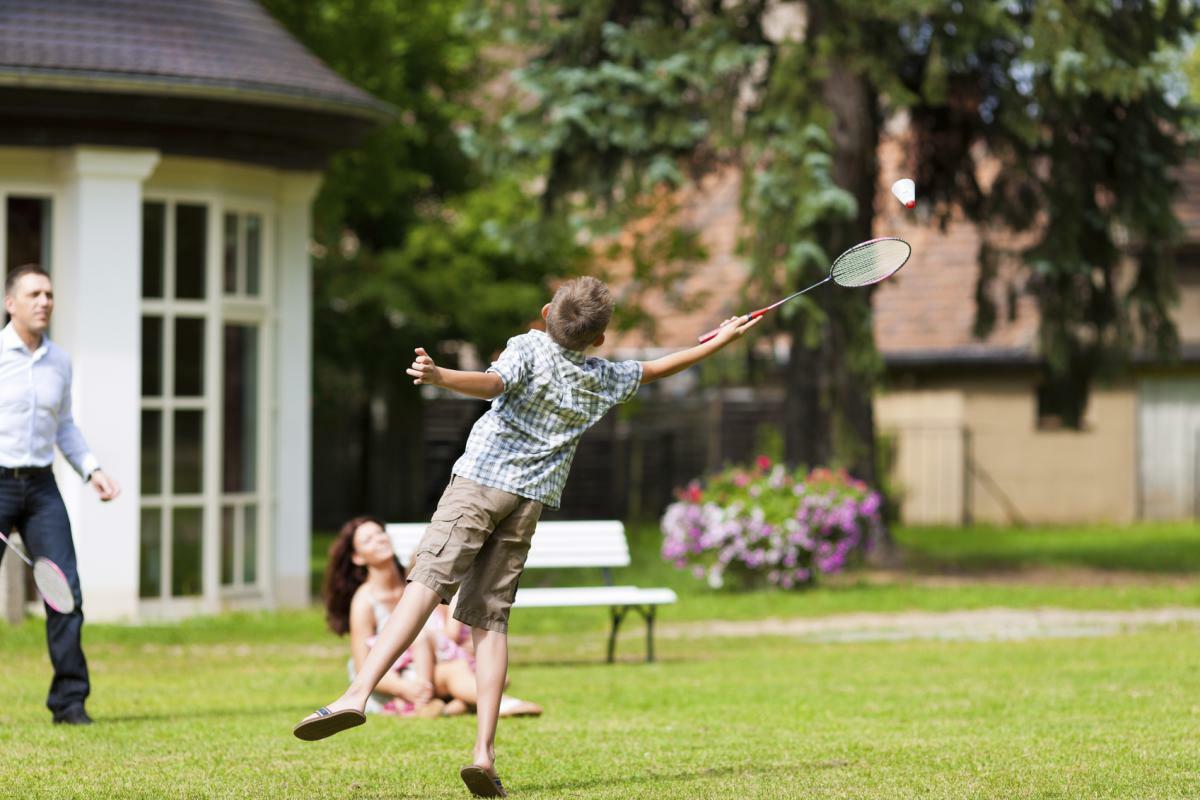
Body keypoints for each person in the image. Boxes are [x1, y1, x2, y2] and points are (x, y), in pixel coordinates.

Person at [294, 276, 758, 797]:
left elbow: (494, 385)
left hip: (479, 485)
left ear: (545, 312)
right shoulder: (602, 377)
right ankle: (483, 754)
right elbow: (655, 369)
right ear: (598, 339)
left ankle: (357, 693)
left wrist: (442, 375)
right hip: (526, 504)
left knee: (424, 584)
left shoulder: (528, 346)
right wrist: (721, 340)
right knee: (489, 620)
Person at [0, 264, 120, 726]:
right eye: (34, 294)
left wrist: (93, 470)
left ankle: (70, 702)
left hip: (41, 487)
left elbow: (64, 426)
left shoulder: (60, 361)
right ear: (11, 303)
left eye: (49, 294)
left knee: (65, 593)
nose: (45, 301)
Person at [324, 515, 542, 720]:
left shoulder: (416, 582)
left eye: (380, 533)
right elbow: (362, 666)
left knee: (496, 676)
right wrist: (405, 688)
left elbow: (448, 625)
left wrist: (467, 644)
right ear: (357, 557)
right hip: (401, 678)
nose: (379, 539)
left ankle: (453, 705)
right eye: (368, 539)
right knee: (454, 673)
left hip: (438, 659)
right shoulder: (364, 601)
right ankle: (503, 705)